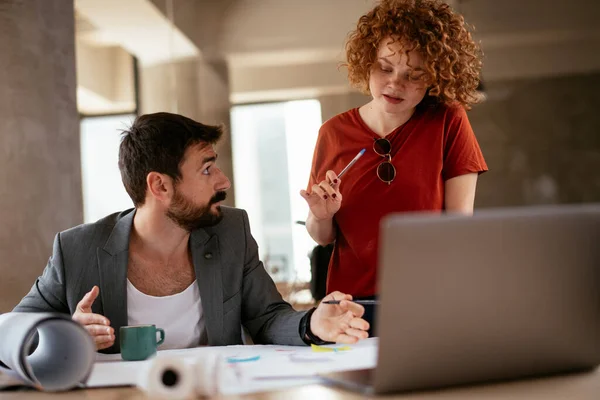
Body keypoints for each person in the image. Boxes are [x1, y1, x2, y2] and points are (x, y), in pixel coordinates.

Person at [13, 112, 369, 353]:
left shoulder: (232, 231)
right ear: (160, 186)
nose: (224, 181)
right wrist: (65, 337)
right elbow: (10, 332)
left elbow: (268, 317)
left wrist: (312, 324)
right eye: (207, 169)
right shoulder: (77, 249)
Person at [300, 0, 488, 333]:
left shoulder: (448, 121)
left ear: (434, 77)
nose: (395, 84)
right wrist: (321, 214)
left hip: (428, 299)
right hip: (349, 306)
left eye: (414, 75)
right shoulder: (332, 133)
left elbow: (459, 227)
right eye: (385, 68)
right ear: (367, 61)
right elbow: (323, 237)